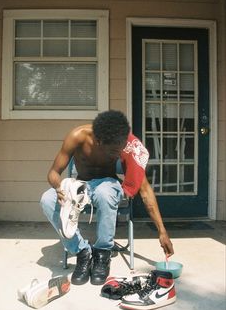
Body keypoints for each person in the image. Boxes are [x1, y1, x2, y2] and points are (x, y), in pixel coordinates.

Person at [40, 110, 174, 286]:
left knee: (105, 193)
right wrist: (60, 188)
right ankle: (82, 252)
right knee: (47, 199)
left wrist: (162, 231)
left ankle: (102, 253)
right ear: (99, 141)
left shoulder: (126, 145)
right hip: (81, 185)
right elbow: (53, 173)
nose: (117, 156)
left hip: (107, 183)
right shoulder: (77, 136)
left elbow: (146, 190)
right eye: (113, 152)